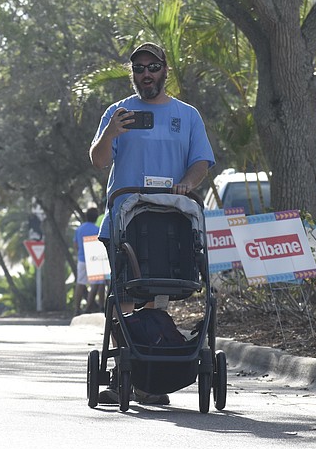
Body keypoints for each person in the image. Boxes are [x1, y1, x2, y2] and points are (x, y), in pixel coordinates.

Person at [89, 42, 215, 405]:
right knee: (124, 298)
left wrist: (188, 184)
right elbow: (98, 161)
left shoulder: (187, 115)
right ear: (133, 74)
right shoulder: (118, 112)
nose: (146, 74)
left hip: (170, 223)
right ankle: (128, 372)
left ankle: (151, 375)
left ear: (165, 70)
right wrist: (110, 133)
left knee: (159, 297)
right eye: (139, 68)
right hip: (125, 221)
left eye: (152, 66)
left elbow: (201, 161)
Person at [72, 206, 105, 315]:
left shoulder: (79, 229)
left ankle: (76, 309)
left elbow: (75, 244)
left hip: (82, 259)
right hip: (94, 258)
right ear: (96, 218)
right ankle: (88, 307)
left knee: (80, 283)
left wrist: (79, 253)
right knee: (95, 284)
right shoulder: (96, 229)